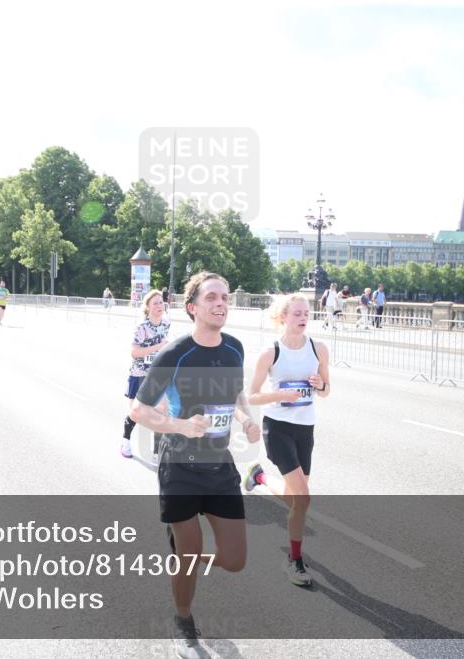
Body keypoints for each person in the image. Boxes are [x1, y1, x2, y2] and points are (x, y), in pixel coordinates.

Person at [130, 271, 260, 657]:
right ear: (193, 308)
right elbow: (138, 409)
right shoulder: (176, 354)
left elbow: (236, 393)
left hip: (219, 467)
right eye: (212, 298)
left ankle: (182, 560)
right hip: (181, 468)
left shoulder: (234, 348)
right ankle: (182, 620)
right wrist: (181, 425)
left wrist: (247, 419)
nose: (222, 303)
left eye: (225, 297)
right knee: (188, 553)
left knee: (235, 561)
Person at [243, 293, 330, 586]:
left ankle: (260, 479)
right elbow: (251, 395)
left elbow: (326, 390)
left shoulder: (319, 349)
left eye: (307, 313)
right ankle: (294, 560)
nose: (304, 318)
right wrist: (280, 395)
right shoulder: (271, 352)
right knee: (303, 497)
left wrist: (320, 384)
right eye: (297, 314)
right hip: (277, 427)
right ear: (283, 317)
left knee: (297, 498)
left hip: (305, 428)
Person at [121, 289, 170, 461]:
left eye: (161, 302)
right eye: (155, 303)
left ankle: (157, 452)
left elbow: (164, 347)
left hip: (157, 374)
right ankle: (125, 440)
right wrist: (157, 347)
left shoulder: (166, 324)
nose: (159, 306)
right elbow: (134, 353)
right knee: (136, 411)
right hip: (139, 373)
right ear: (148, 308)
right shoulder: (142, 327)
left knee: (161, 410)